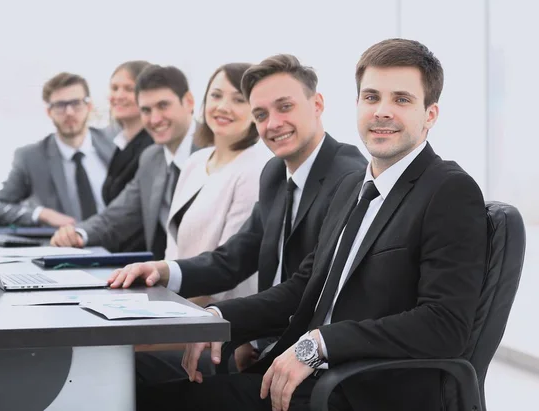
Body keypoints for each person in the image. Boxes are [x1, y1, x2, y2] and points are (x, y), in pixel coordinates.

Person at [132, 38, 489, 411]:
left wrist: (320, 343)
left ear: (430, 114)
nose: (382, 111)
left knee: (144, 400)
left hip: (359, 390)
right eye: (371, 97)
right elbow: (304, 287)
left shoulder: (448, 189)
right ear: (356, 105)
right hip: (302, 377)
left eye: (401, 99)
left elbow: (445, 324)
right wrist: (219, 319)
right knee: (131, 385)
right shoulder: (353, 186)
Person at [109, 54, 367, 380]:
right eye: (261, 114)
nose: (272, 123)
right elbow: (235, 256)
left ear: (317, 104)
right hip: (262, 348)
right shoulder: (275, 173)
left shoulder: (348, 175)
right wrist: (163, 271)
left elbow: (306, 288)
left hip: (310, 366)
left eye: (284, 107)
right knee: (123, 371)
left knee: (132, 380)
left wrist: (219, 317)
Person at [50, 65, 200, 256]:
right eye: (145, 110)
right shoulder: (152, 158)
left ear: (188, 102)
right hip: (166, 277)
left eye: (163, 106)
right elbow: (119, 215)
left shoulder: (216, 148)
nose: (154, 119)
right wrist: (78, 234)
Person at [165, 63, 272, 306]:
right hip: (177, 305)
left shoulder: (255, 168)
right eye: (216, 95)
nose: (223, 107)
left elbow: (229, 267)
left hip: (222, 318)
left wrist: (172, 314)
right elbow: (173, 250)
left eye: (238, 99)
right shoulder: (195, 161)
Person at [0, 72, 115, 227]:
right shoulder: (30, 157)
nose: (69, 112)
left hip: (117, 244)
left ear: (89, 106)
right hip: (65, 247)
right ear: (49, 112)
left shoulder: (114, 144)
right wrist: (41, 214)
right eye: (60, 106)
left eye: (76, 103)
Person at [102, 60, 154, 206]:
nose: (119, 96)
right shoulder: (121, 144)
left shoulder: (153, 147)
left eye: (129, 89)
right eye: (114, 88)